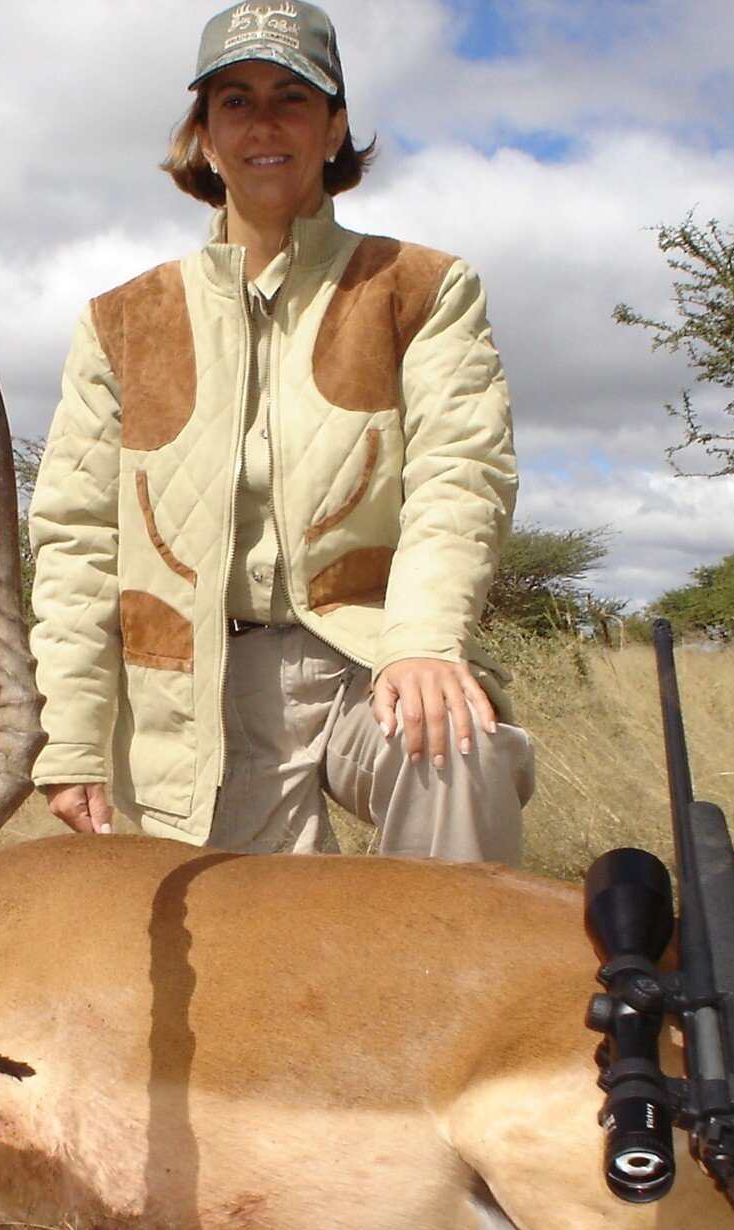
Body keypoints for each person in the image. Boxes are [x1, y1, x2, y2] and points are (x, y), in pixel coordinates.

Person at [28, 0, 534, 860]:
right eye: (235, 100)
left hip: (368, 654)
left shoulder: (420, 287)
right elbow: (77, 534)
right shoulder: (123, 319)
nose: (264, 123)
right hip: (195, 690)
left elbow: (462, 476)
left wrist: (422, 646)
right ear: (205, 134)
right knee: (252, 963)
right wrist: (74, 734)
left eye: (292, 97)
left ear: (335, 127)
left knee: (461, 751)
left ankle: (441, 984)